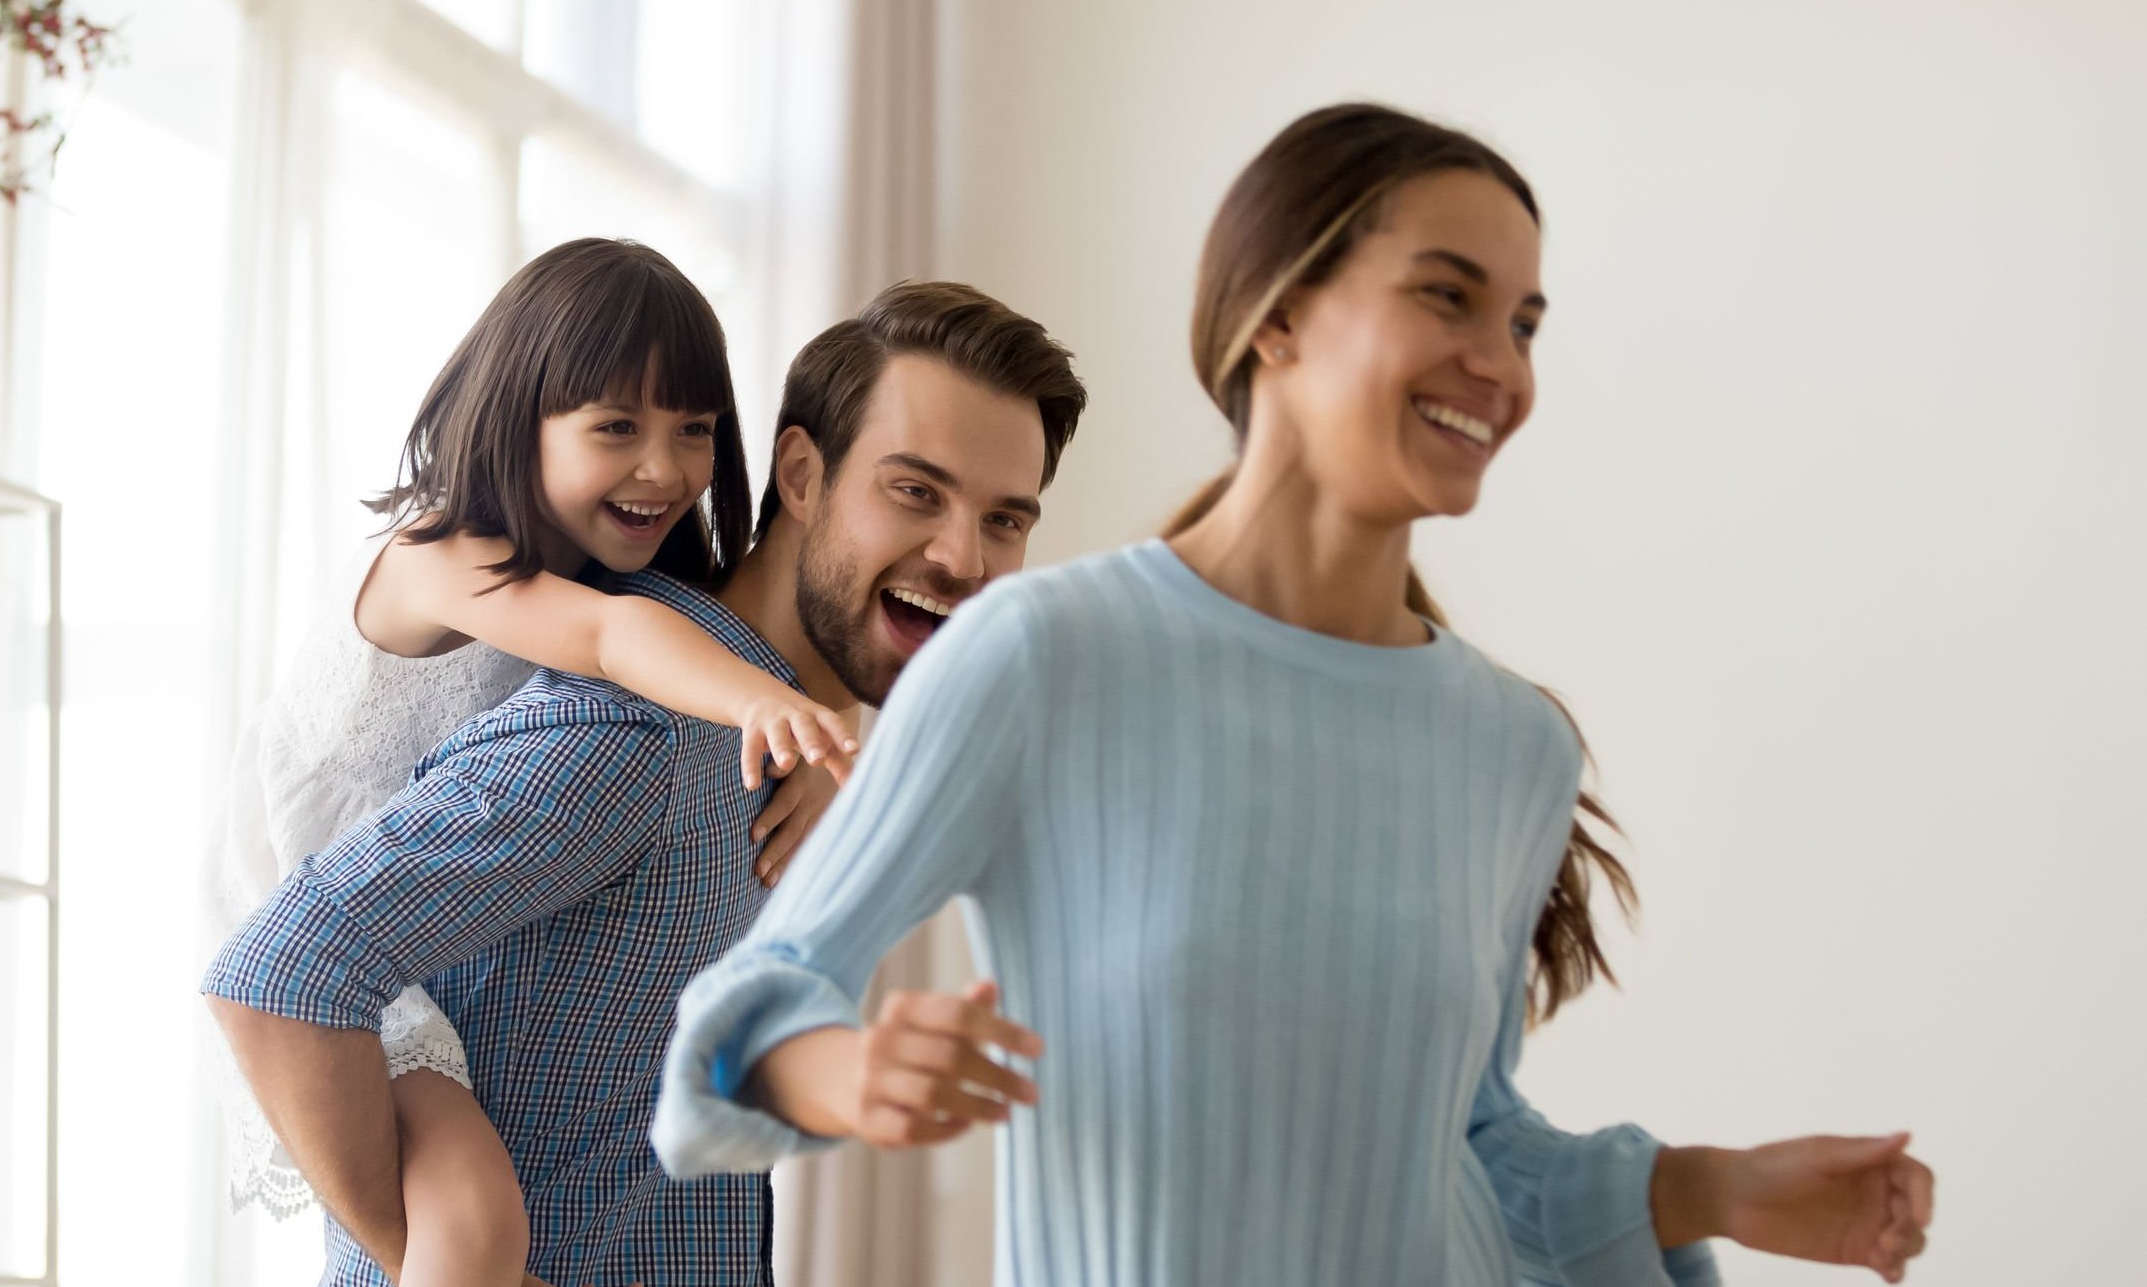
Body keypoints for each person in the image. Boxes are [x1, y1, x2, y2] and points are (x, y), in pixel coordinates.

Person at [654, 104, 1939, 1286]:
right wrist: (852, 1073)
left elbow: (1475, 1150)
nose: (1502, 366)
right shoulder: (1046, 655)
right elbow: (739, 1017)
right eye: (1450, 297)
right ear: (1277, 317)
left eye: (1526, 324)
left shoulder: (1515, 745)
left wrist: (1715, 1188)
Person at [206, 280, 1089, 1286]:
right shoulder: (639, 737)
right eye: (915, 491)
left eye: (1007, 520)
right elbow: (280, 971)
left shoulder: (780, 754)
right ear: (799, 474)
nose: (964, 558)